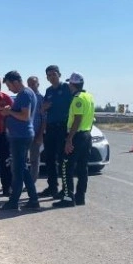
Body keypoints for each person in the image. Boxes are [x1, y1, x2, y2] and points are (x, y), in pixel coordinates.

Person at [0, 71, 40, 210]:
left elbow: (24, 116)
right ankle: (33, 200)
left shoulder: (24, 94)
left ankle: (14, 201)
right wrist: (10, 110)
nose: (9, 89)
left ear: (15, 82)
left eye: (9, 85)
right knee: (22, 169)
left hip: (21, 137)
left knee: (18, 171)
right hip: (20, 136)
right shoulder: (26, 94)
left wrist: (9, 112)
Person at [53, 72, 95, 208]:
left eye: (70, 84)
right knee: (83, 167)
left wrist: (69, 139)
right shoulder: (89, 96)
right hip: (87, 135)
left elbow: (77, 119)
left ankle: (68, 197)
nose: (69, 87)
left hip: (77, 135)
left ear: (72, 84)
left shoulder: (77, 98)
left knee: (66, 166)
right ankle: (80, 196)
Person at [39, 65, 73, 199]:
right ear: (47, 78)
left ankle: (65, 189)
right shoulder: (48, 91)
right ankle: (52, 186)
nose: (52, 77)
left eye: (54, 74)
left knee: (62, 159)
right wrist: (44, 108)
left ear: (59, 74)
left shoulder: (66, 88)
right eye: (49, 75)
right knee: (49, 159)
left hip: (63, 127)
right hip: (51, 128)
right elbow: (43, 110)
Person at [27, 76, 45, 183]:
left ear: (38, 84)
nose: (31, 86)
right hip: (24, 133)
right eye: (29, 84)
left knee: (34, 160)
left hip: (36, 133)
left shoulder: (41, 98)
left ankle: (31, 182)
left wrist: (40, 134)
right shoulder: (25, 96)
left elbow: (44, 119)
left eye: (33, 84)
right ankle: (18, 182)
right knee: (20, 160)